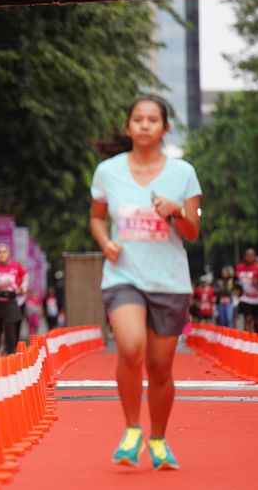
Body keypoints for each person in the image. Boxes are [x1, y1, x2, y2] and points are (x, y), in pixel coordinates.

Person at [90, 96, 201, 470]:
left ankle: (158, 440)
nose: (145, 125)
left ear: (165, 128)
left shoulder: (183, 173)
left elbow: (193, 230)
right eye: (138, 119)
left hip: (170, 282)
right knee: (131, 345)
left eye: (153, 119)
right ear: (128, 126)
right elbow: (97, 218)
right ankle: (132, 429)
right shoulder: (108, 172)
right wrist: (106, 243)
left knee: (160, 368)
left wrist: (177, 211)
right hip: (123, 277)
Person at [0, 243, 27, 357]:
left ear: (9, 253)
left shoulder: (16, 265)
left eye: (4, 252)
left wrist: (24, 286)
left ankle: (10, 353)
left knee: (10, 326)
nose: (2, 254)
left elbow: (25, 275)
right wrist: (1, 283)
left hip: (10, 301)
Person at [235, 249, 258, 333]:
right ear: (244, 256)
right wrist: (237, 290)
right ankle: (246, 339)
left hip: (257, 298)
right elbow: (235, 281)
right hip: (245, 298)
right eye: (247, 255)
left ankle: (257, 339)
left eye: (251, 255)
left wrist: (257, 282)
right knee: (248, 319)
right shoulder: (239, 268)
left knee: (257, 322)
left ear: (254, 257)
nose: (249, 257)